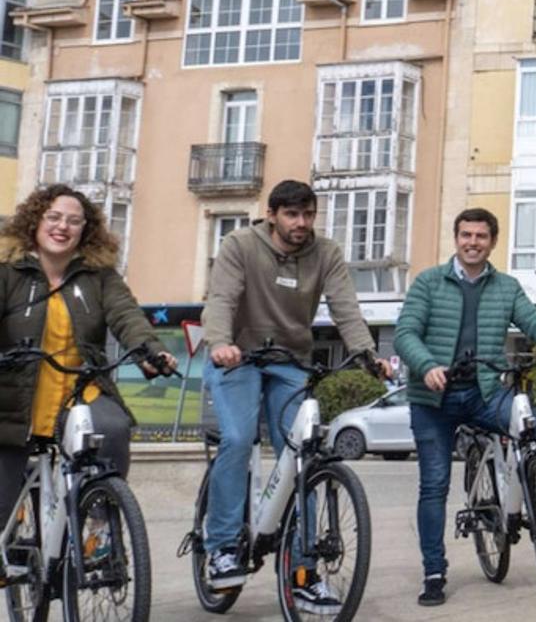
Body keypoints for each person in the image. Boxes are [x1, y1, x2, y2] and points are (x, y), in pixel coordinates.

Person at [201, 180, 391, 613]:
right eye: (292, 215)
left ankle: (303, 572)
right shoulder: (239, 244)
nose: (301, 223)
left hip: (291, 361)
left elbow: (345, 307)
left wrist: (366, 353)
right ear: (272, 215)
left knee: (305, 455)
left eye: (308, 214)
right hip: (238, 357)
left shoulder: (325, 253)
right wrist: (218, 343)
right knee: (237, 438)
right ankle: (223, 546)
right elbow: (222, 300)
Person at [395, 208, 536, 607]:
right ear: (456, 238)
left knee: (530, 427)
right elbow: (405, 332)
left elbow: (534, 321)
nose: (472, 242)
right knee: (434, 485)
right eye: (466, 235)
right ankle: (434, 572)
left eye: (481, 236)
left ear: (492, 242)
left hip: (483, 391)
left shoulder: (506, 287)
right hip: (434, 399)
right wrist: (427, 365)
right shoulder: (429, 282)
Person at [0, 184, 176, 528]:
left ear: (85, 230)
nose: (62, 227)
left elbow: (127, 316)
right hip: (14, 397)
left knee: (112, 427)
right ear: (35, 221)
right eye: (53, 217)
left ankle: (99, 525)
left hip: (79, 392)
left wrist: (150, 351)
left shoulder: (100, 277)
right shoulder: (8, 271)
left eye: (73, 221)